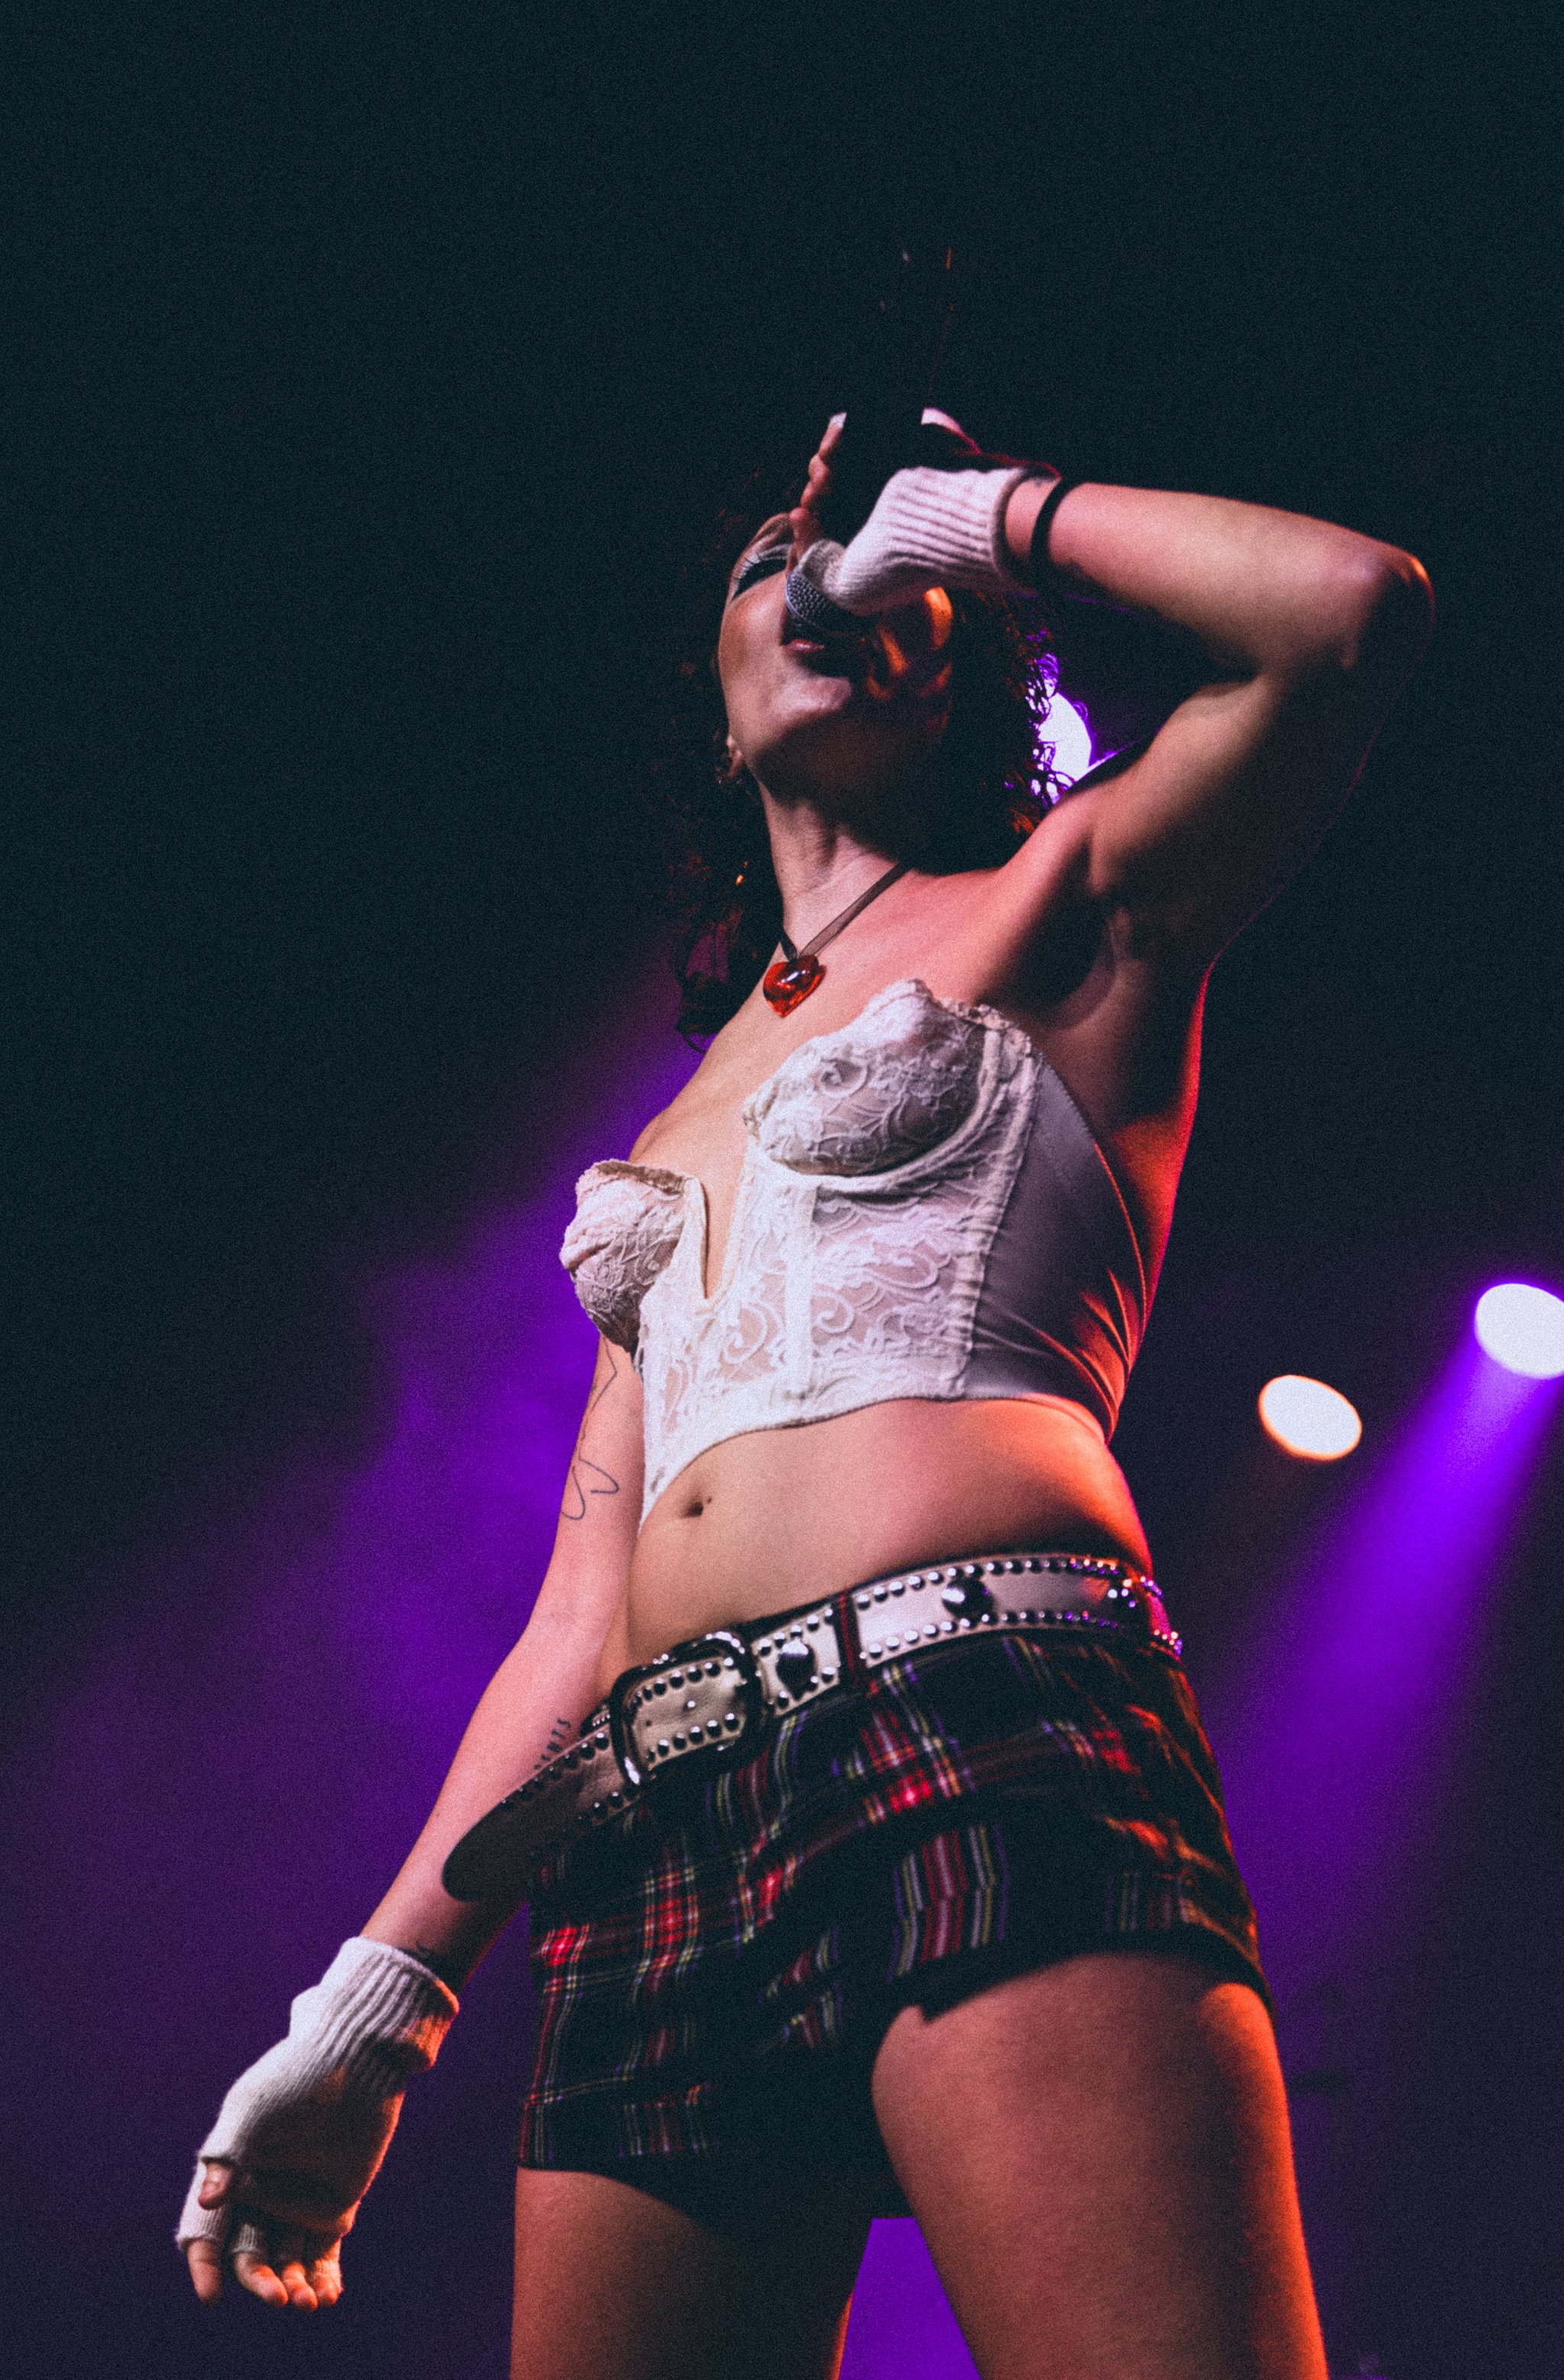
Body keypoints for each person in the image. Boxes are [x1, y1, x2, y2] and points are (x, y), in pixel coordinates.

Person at [175, 411, 1432, 2379]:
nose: (839, 585)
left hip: (972, 1706)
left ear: (959, 649)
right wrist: (372, 2010)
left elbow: (1344, 611)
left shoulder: (1069, 893)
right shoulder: (664, 1130)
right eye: (784, 559)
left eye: (899, 585)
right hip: (652, 1818)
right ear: (712, 669)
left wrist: (968, 515)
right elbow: (579, 1616)